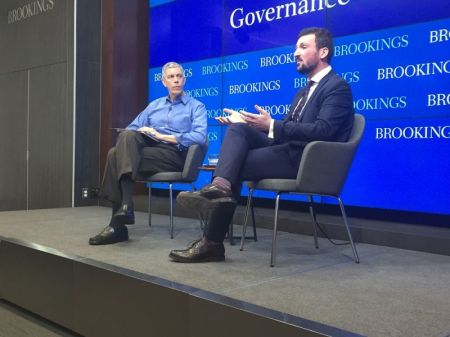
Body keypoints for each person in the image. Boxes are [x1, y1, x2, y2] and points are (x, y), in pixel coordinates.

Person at [169, 27, 355, 262]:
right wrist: (254, 124)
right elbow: (283, 134)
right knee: (238, 129)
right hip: (288, 151)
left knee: (230, 167)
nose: (295, 53)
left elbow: (324, 130)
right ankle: (220, 191)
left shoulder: (337, 87)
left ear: (323, 52)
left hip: (306, 160)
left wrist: (272, 124)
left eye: (303, 47)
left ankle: (212, 239)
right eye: (296, 47)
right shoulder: (302, 93)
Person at [89, 62, 207, 245]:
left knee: (114, 155)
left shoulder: (196, 106)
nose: (176, 80)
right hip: (149, 150)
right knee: (123, 142)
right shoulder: (154, 106)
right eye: (171, 77)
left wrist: (164, 136)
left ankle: (118, 223)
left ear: (184, 79)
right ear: (163, 82)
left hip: (173, 155)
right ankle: (125, 209)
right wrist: (146, 132)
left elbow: (200, 137)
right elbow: (129, 130)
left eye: (179, 76)